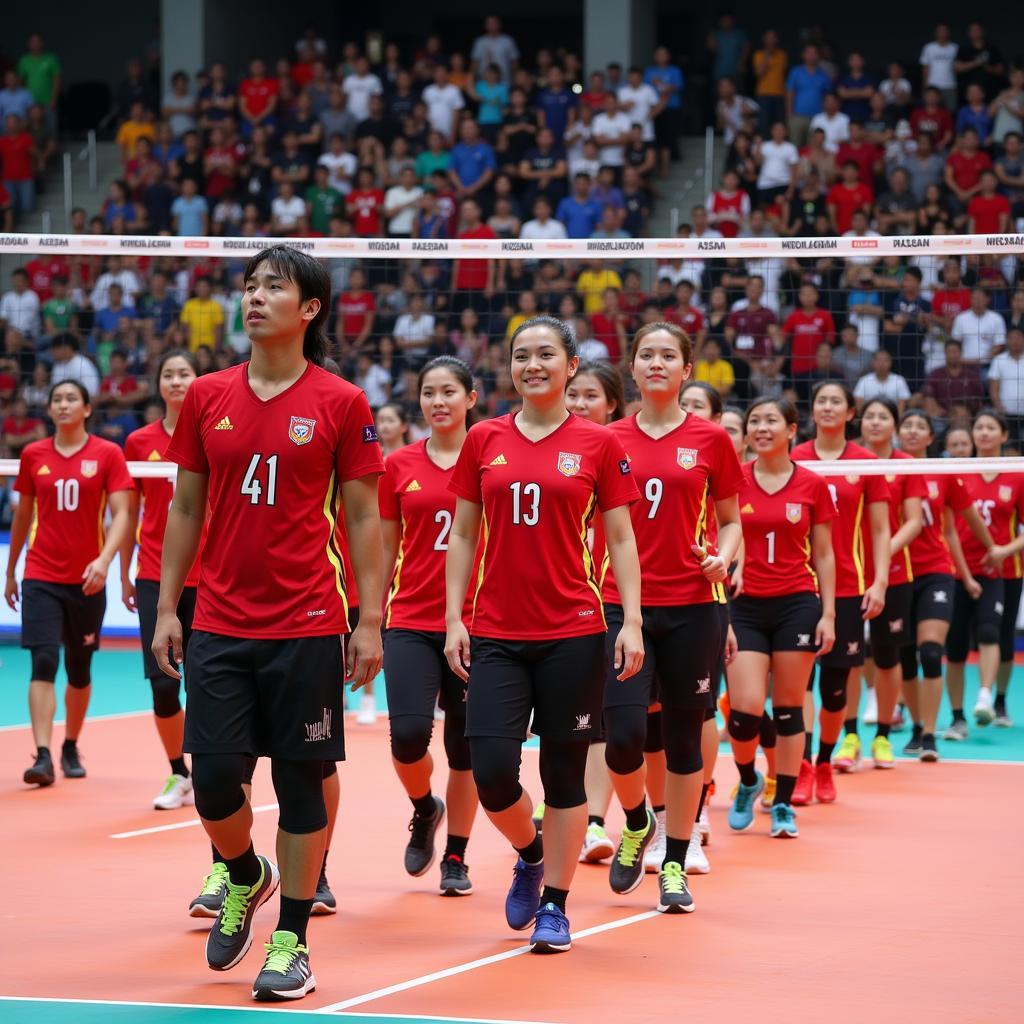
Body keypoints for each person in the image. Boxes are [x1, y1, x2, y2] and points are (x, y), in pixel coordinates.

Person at [152, 246, 385, 1001]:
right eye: (249, 286)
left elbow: (362, 517)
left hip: (309, 620)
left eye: (272, 288)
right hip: (219, 618)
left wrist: (369, 618)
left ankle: (291, 940)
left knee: (301, 783)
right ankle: (246, 874)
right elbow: (186, 507)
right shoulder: (208, 396)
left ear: (309, 309)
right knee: (215, 783)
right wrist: (166, 607)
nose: (254, 298)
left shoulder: (342, 402)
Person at [444, 316, 643, 951]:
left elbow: (619, 536)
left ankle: (555, 903)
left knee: (563, 778)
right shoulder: (484, 438)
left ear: (571, 366)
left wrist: (631, 619)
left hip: (574, 630)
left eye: (545, 355)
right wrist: (454, 616)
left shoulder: (599, 443)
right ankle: (529, 853)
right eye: (521, 355)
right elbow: (465, 534)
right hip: (497, 630)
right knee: (494, 771)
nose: (533, 365)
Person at [602, 323, 742, 906]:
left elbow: (732, 520)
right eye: (645, 355)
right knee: (622, 736)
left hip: (693, 605)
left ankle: (675, 862)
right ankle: (638, 821)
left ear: (687, 371)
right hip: (618, 603)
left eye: (668, 356)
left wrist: (723, 560)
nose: (656, 363)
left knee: (686, 740)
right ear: (632, 370)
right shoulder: (604, 439)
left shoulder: (711, 439)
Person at [380, 357, 481, 896]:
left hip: (477, 621)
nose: (437, 401)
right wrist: (369, 620)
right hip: (412, 619)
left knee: (467, 749)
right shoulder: (399, 466)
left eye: (449, 392)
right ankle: (425, 807)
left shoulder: (492, 459)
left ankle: (457, 856)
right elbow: (386, 548)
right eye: (428, 393)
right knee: (409, 735)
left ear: (471, 397)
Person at [5, 380, 133, 786]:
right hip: (41, 573)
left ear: (87, 408)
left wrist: (104, 560)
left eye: (70, 399)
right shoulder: (33, 454)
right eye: (56, 399)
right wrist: (11, 571)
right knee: (43, 659)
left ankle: (70, 744)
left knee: (80, 670)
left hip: (88, 579)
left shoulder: (107, 454)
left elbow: (124, 515)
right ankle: (42, 755)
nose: (62, 405)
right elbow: (23, 517)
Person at [726, 397, 836, 839]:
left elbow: (825, 554)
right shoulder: (732, 481)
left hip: (797, 603)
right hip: (745, 604)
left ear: (792, 430)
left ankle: (785, 802)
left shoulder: (811, 485)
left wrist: (828, 613)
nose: (761, 427)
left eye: (772, 420)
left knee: (789, 708)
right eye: (755, 421)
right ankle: (749, 778)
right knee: (745, 710)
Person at [790, 382, 890, 804]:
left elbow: (882, 528)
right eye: (821, 401)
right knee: (798, 686)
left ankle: (827, 759)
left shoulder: (865, 462)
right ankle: (801, 767)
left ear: (851, 413)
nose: (827, 407)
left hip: (849, 586)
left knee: (835, 689)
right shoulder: (794, 457)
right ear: (812, 412)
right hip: (797, 586)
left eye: (836, 402)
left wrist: (880, 580)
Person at [121, 350, 203, 809]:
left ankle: (212, 768)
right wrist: (124, 573)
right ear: (159, 384)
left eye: (184, 373)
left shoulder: (214, 433)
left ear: (197, 381)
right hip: (155, 572)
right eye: (168, 374)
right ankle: (179, 772)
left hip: (211, 575)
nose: (176, 381)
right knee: (164, 683)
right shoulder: (138, 442)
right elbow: (130, 511)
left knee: (208, 682)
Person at [897, 411, 996, 760]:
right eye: (906, 425)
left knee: (930, 652)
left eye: (919, 426)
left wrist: (983, 559)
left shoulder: (944, 472)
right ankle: (913, 726)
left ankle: (928, 734)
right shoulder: (885, 469)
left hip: (936, 570)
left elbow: (955, 527)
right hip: (898, 572)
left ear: (929, 437)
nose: (912, 431)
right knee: (905, 656)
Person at [837, 398, 925, 770]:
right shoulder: (848, 460)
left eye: (883, 416)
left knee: (889, 657)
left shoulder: (905, 465)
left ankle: (884, 737)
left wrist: (881, 552)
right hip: (850, 575)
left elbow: (914, 521)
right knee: (851, 659)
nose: (875, 422)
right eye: (869, 415)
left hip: (895, 576)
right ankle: (851, 736)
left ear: (894, 424)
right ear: (860, 420)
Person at [562, 360, 626, 866]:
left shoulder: (618, 450)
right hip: (568, 602)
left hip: (617, 599)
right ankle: (574, 809)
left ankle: (601, 820)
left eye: (590, 396)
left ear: (611, 404)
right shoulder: (543, 448)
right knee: (577, 721)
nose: (579, 404)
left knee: (610, 722)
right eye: (574, 395)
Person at [947, 410, 1024, 735]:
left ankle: (997, 700)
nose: (984, 432)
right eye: (979, 426)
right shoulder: (957, 472)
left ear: (1004, 436)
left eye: (991, 427)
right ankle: (957, 715)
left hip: (1004, 569)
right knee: (956, 643)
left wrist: (1003, 551)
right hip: (957, 569)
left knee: (999, 636)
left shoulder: (1016, 474)